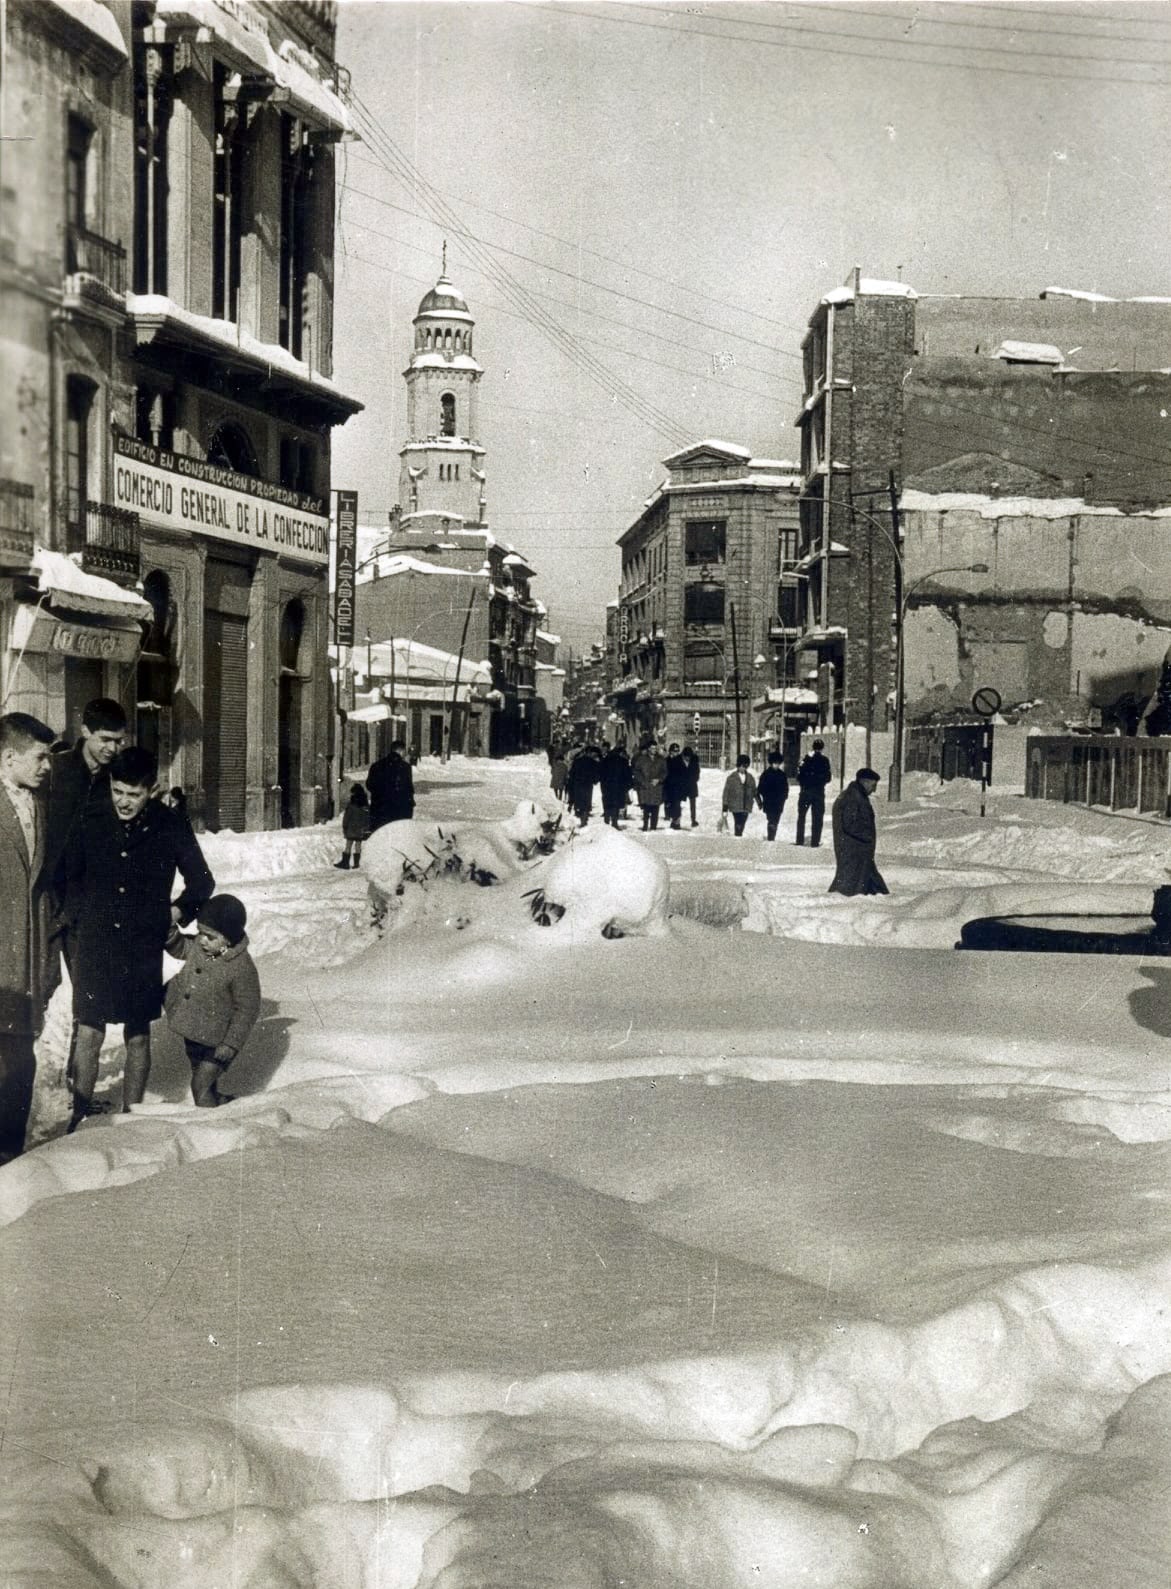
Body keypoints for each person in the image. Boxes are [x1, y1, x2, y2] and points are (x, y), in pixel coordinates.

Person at [61, 745, 214, 1130]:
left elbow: (202, 881)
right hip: (95, 941)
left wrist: (174, 913)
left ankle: (131, 1120)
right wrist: (81, 917)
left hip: (141, 945)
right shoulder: (91, 817)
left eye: (134, 794)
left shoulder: (170, 824)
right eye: (117, 791)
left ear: (154, 789)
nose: (123, 802)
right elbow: (67, 876)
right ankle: (78, 1115)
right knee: (89, 1031)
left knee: (138, 1036)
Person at [0, 713, 56, 1163]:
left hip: (25, 967)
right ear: (9, 757)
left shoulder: (39, 804)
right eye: (39, 757)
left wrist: (46, 959)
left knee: (20, 1064)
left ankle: (10, 1159)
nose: (47, 766)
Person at [165, 894, 260, 1107]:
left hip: (219, 1043)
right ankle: (217, 1106)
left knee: (200, 1085)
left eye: (210, 936)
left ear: (228, 938)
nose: (202, 940)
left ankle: (209, 1127)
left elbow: (248, 1008)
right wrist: (168, 929)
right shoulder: (201, 947)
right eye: (200, 933)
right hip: (195, 1034)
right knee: (204, 1080)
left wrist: (231, 1043)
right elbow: (180, 947)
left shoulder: (241, 967)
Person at [42, 697, 127, 923]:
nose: (112, 748)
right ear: (86, 731)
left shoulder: (120, 778)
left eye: (119, 741)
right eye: (105, 739)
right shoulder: (54, 770)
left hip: (94, 898)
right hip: (51, 893)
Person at [828, 767, 889, 897]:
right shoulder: (853, 797)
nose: (874, 789)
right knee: (848, 883)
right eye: (873, 785)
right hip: (854, 849)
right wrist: (867, 836)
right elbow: (850, 824)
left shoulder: (855, 795)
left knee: (864, 878)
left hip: (857, 848)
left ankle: (882, 897)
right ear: (864, 782)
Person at [366, 738, 415, 831]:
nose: (405, 754)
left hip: (379, 809)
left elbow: (369, 784)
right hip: (399, 811)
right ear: (400, 751)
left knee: (381, 837)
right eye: (404, 751)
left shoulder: (376, 765)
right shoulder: (405, 767)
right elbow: (408, 789)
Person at [796, 737, 833, 847]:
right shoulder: (825, 760)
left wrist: (805, 783)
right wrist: (819, 781)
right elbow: (828, 777)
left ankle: (799, 840)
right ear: (822, 748)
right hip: (818, 793)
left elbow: (799, 776)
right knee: (817, 818)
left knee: (802, 816)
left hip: (806, 792)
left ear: (813, 747)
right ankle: (815, 842)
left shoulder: (805, 759)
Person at [631, 739, 665, 831]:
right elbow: (636, 771)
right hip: (645, 786)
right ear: (648, 749)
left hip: (656, 787)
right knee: (646, 807)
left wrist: (659, 779)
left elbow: (665, 772)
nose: (654, 750)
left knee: (655, 807)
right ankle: (645, 826)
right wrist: (642, 781)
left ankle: (654, 826)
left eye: (655, 748)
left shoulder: (661, 759)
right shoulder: (641, 759)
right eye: (652, 748)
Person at [756, 749, 790, 841]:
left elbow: (786, 788)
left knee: (776, 821)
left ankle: (772, 837)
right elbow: (759, 789)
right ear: (771, 763)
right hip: (769, 802)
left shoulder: (782, 775)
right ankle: (771, 838)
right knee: (771, 821)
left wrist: (784, 796)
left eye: (778, 763)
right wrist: (761, 801)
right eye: (775, 763)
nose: (776, 765)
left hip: (779, 802)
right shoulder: (766, 774)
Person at [721, 753, 758, 836]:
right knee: (738, 823)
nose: (743, 768)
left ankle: (738, 835)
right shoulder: (731, 778)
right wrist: (725, 807)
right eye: (742, 766)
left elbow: (754, 791)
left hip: (747, 805)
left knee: (742, 824)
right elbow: (726, 793)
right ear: (738, 765)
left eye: (746, 766)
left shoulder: (750, 777)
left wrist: (759, 802)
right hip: (735, 806)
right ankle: (738, 837)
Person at [566, 740, 601, 826]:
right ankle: (584, 819)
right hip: (588, 785)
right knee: (586, 801)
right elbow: (597, 774)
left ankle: (582, 817)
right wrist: (595, 781)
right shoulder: (593, 762)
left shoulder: (577, 761)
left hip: (578, 784)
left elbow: (572, 773)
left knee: (579, 801)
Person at [335, 783, 370, 869]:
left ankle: (345, 863)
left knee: (348, 845)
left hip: (351, 828)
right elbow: (368, 817)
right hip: (361, 829)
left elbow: (347, 817)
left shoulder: (351, 805)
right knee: (358, 845)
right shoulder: (365, 805)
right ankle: (356, 864)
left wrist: (344, 827)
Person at [599, 743, 633, 828]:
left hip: (606, 786)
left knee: (607, 802)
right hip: (619, 786)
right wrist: (628, 785)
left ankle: (606, 820)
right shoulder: (623, 761)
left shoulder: (605, 760)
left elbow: (600, 773)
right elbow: (628, 774)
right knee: (616, 804)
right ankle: (614, 822)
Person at [663, 743, 689, 830]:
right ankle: (672, 819)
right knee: (669, 804)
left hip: (677, 788)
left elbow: (685, 775)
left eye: (678, 751)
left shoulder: (681, 762)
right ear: (670, 751)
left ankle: (676, 822)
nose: (676, 753)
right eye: (674, 751)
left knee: (677, 805)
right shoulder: (666, 761)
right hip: (668, 787)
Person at [681, 742, 701, 827]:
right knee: (678, 803)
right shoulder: (679, 761)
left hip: (692, 786)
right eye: (686, 757)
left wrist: (693, 780)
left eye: (689, 757)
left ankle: (693, 820)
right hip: (682, 786)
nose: (687, 758)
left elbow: (697, 773)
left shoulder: (694, 762)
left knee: (693, 805)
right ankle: (675, 820)